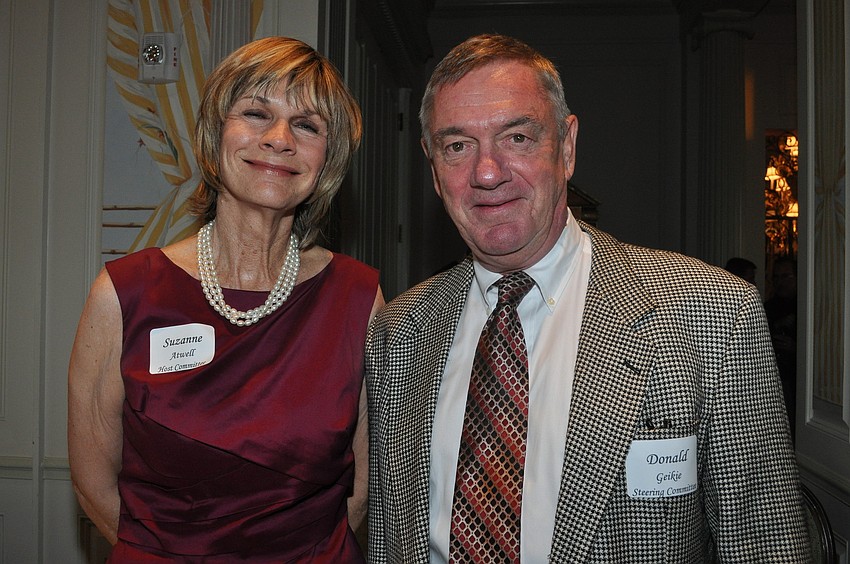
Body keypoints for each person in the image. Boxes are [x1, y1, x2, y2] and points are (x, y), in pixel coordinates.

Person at [365, 34, 809, 562]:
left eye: (517, 138)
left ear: (567, 146)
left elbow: (766, 544)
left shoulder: (710, 313)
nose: (487, 172)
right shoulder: (399, 330)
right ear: (433, 168)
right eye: (457, 146)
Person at [68, 37, 383, 562]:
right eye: (256, 113)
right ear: (216, 135)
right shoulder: (124, 294)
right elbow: (95, 486)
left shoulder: (358, 297)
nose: (280, 139)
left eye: (307, 125)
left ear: (328, 159)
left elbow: (364, 484)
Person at [765, 256, 798, 441]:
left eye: (786, 276)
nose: (780, 282)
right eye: (776, 277)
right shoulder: (767, 307)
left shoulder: (807, 307)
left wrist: (795, 349)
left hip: (796, 383)